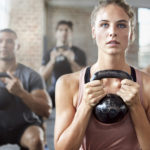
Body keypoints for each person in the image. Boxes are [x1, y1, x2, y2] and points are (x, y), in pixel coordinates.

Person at [54, 0, 150, 150]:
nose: (112, 32)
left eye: (121, 25)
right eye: (104, 24)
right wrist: (85, 105)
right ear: (94, 32)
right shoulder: (67, 84)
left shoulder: (147, 85)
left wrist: (136, 107)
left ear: (131, 34)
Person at [0, 28, 52, 150]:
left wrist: (21, 93)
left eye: (9, 41)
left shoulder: (31, 75)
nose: (4, 45)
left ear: (17, 46)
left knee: (36, 139)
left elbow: (46, 110)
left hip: (23, 126)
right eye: (0, 41)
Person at [39, 20, 86, 108]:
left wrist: (72, 61)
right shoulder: (49, 53)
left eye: (66, 30)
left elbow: (84, 76)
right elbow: (42, 77)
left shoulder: (79, 52)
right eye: (60, 30)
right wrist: (52, 61)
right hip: (54, 91)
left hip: (75, 91)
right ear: (56, 33)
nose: (64, 32)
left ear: (71, 33)